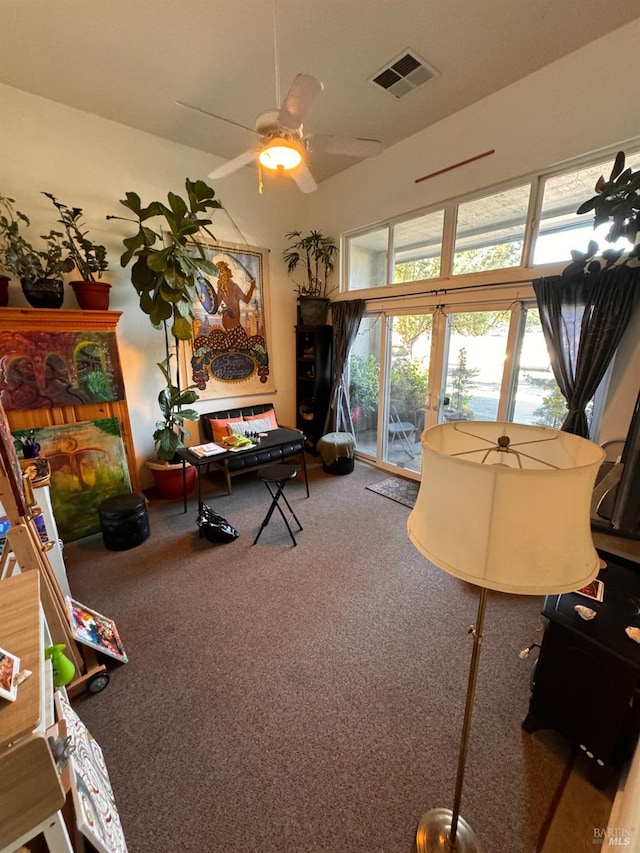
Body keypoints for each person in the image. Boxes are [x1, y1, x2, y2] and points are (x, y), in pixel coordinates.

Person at [215, 261, 256, 331]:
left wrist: (224, 309)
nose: (230, 270)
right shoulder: (234, 286)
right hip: (233, 320)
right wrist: (252, 287)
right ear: (225, 273)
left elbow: (215, 306)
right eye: (227, 269)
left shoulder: (221, 289)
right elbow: (247, 300)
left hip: (227, 319)